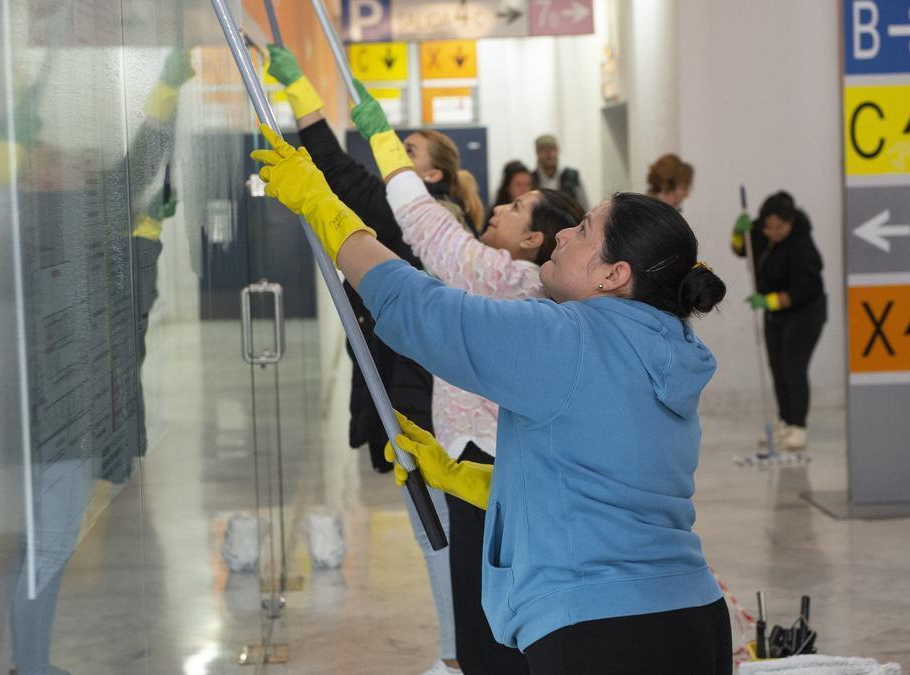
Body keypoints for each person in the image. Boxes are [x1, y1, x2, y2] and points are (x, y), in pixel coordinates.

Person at [252, 123, 734, 674]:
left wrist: (322, 207)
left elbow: (419, 308)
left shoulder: (567, 337)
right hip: (693, 619)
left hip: (599, 632)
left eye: (581, 230)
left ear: (614, 274)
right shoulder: (669, 348)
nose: (561, 236)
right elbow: (600, 481)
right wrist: (464, 478)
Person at [351, 80, 583, 674]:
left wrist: (384, 145)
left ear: (532, 239)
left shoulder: (506, 277)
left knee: (488, 607)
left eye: (515, 209)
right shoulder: (543, 289)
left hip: (486, 462)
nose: (500, 207)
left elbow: (425, 226)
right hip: (505, 460)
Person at [267, 44, 463, 675]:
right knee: (438, 523)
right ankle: (462, 649)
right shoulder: (431, 218)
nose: (391, 158)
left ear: (430, 177)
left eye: (407, 154)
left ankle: (460, 655)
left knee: (440, 527)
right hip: (409, 381)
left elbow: (337, 173)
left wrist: (303, 100)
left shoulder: (426, 221)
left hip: (422, 391)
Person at [732, 191, 826, 451]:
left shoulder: (801, 245)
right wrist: (738, 233)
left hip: (805, 313)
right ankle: (784, 420)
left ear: (790, 222)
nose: (772, 232)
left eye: (778, 227)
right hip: (775, 314)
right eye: (767, 226)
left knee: (794, 367)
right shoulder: (761, 233)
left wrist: (769, 301)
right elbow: (743, 250)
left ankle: (798, 426)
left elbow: (804, 289)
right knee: (777, 367)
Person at [532, 134, 588, 211]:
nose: (548, 154)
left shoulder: (572, 177)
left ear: (558, 151)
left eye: (551, 149)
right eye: (543, 149)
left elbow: (584, 208)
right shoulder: (530, 180)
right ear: (537, 153)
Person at [487, 160, 533, 224]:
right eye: (518, 185)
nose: (524, 189)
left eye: (528, 184)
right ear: (508, 188)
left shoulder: (537, 213)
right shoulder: (497, 214)